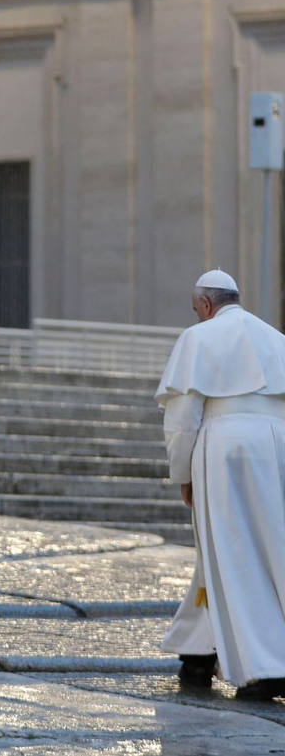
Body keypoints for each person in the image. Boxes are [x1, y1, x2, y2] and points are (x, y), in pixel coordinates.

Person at [156, 269, 285, 699]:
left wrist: (183, 474)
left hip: (224, 445)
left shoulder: (200, 338)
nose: (198, 318)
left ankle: (264, 667)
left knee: (231, 549)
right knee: (263, 548)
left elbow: (182, 419)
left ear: (206, 305)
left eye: (197, 311)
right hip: (277, 446)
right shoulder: (274, 338)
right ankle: (197, 651)